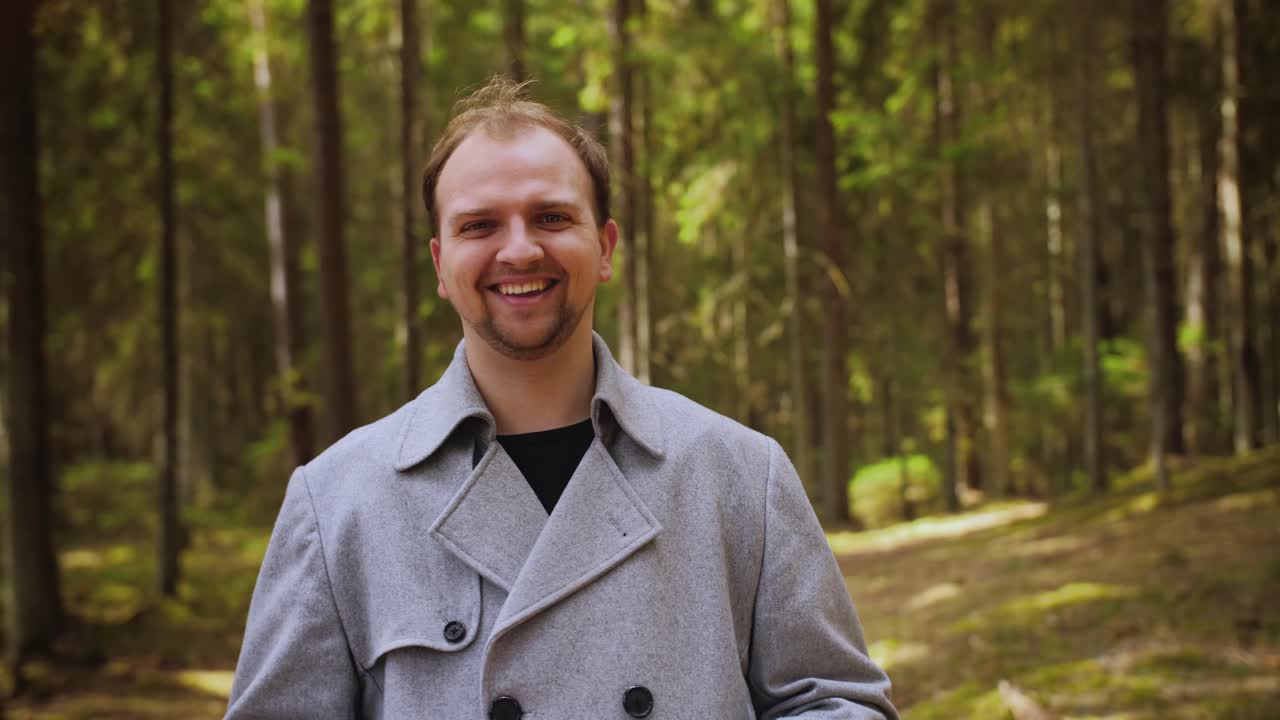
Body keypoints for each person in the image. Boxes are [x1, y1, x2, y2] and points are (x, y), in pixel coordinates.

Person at [226, 77, 897, 720]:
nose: (519, 250)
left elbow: (837, 702)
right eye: (479, 226)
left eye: (551, 217)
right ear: (440, 264)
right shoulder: (338, 499)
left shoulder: (740, 473)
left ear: (604, 247)